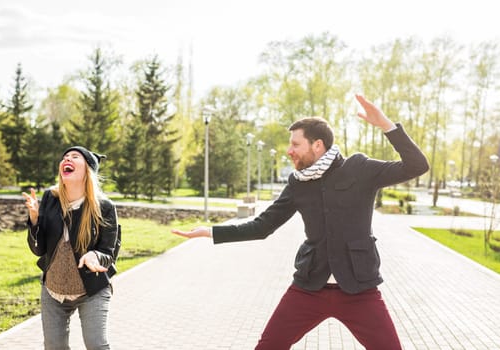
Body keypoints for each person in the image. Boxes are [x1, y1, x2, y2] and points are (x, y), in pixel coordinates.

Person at [172, 94, 429, 350]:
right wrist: (212, 232)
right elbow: (263, 226)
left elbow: (417, 166)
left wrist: (386, 125)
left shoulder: (359, 169)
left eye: (295, 144)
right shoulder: (298, 183)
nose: (289, 151)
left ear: (317, 145)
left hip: (359, 290)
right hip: (309, 288)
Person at [22, 146, 119, 350]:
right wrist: (34, 220)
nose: (67, 159)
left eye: (75, 157)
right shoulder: (50, 198)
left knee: (96, 345)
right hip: (53, 291)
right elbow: (39, 250)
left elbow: (108, 253)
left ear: (88, 171)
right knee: (54, 346)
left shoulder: (105, 207)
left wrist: (95, 256)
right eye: (65, 157)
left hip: (91, 290)